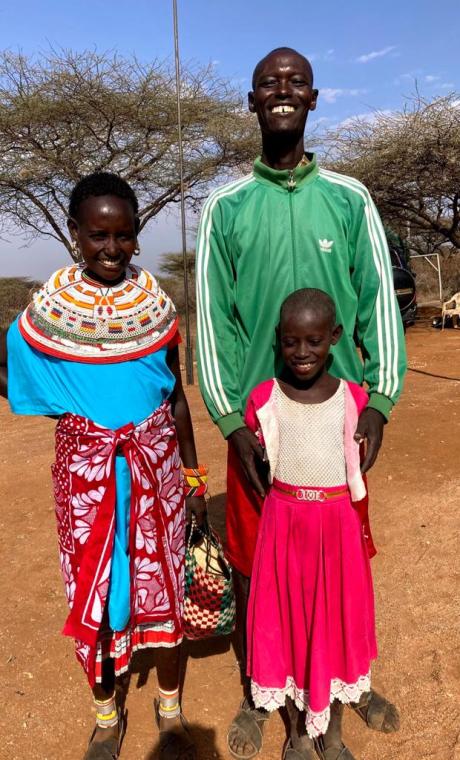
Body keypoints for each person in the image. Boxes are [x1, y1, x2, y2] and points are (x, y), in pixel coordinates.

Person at [195, 47, 405, 759]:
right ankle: (265, 689)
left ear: (314, 97)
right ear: (251, 101)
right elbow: (213, 324)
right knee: (259, 568)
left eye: (293, 83)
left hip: (337, 427)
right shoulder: (226, 207)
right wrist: (232, 422)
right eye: (267, 84)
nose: (281, 92)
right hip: (261, 431)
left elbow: (379, 302)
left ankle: (347, 679)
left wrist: (378, 402)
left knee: (344, 555)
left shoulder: (349, 199)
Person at [0, 172, 205, 760]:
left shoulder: (155, 302)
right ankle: (107, 717)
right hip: (86, 479)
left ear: (136, 236)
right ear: (74, 234)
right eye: (97, 235)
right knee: (94, 593)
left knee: (163, 584)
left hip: (156, 471)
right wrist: (75, 423)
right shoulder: (50, 307)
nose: (111, 248)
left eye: (123, 235)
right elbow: (15, 367)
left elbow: (174, 396)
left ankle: (170, 709)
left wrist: (193, 477)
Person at [245, 288, 379, 760]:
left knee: (336, 627)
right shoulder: (264, 400)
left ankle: (334, 732)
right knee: (290, 627)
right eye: (290, 342)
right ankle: (299, 733)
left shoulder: (353, 400)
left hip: (336, 532)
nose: (302, 353)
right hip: (285, 530)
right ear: (278, 340)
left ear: (335, 338)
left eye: (314, 341)